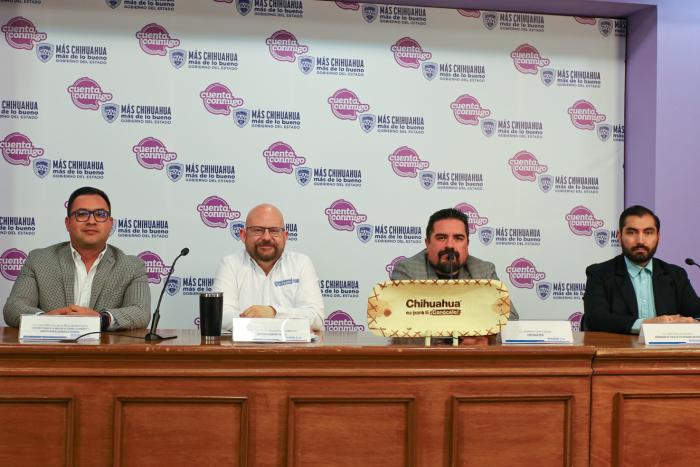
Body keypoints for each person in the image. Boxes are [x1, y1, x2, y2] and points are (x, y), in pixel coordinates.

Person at [3, 187, 151, 331]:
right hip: (51, 346)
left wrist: (101, 319)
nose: (91, 221)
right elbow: (13, 307)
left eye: (100, 214)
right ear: (68, 223)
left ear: (111, 224)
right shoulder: (39, 260)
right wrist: (44, 320)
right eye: (82, 214)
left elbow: (141, 312)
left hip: (104, 347)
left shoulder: (132, 266)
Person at [583, 205, 700, 334]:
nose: (640, 241)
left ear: (658, 237)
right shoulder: (600, 273)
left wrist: (695, 322)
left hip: (667, 346)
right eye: (632, 232)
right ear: (619, 237)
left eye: (648, 233)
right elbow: (595, 319)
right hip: (620, 346)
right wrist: (645, 324)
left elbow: (696, 311)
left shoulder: (675, 275)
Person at [212, 204, 324, 331]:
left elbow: (316, 317)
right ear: (244, 235)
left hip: (289, 345)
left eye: (274, 231)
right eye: (258, 230)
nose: (266, 237)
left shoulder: (301, 264)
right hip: (244, 345)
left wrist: (274, 312)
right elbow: (220, 315)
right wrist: (287, 323)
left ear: (285, 236)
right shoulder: (230, 264)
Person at [391, 207, 518, 319]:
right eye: (441, 238)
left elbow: (510, 317)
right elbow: (401, 318)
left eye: (458, 238)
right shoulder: (408, 271)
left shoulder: (483, 271)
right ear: (428, 243)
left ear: (467, 244)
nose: (450, 245)